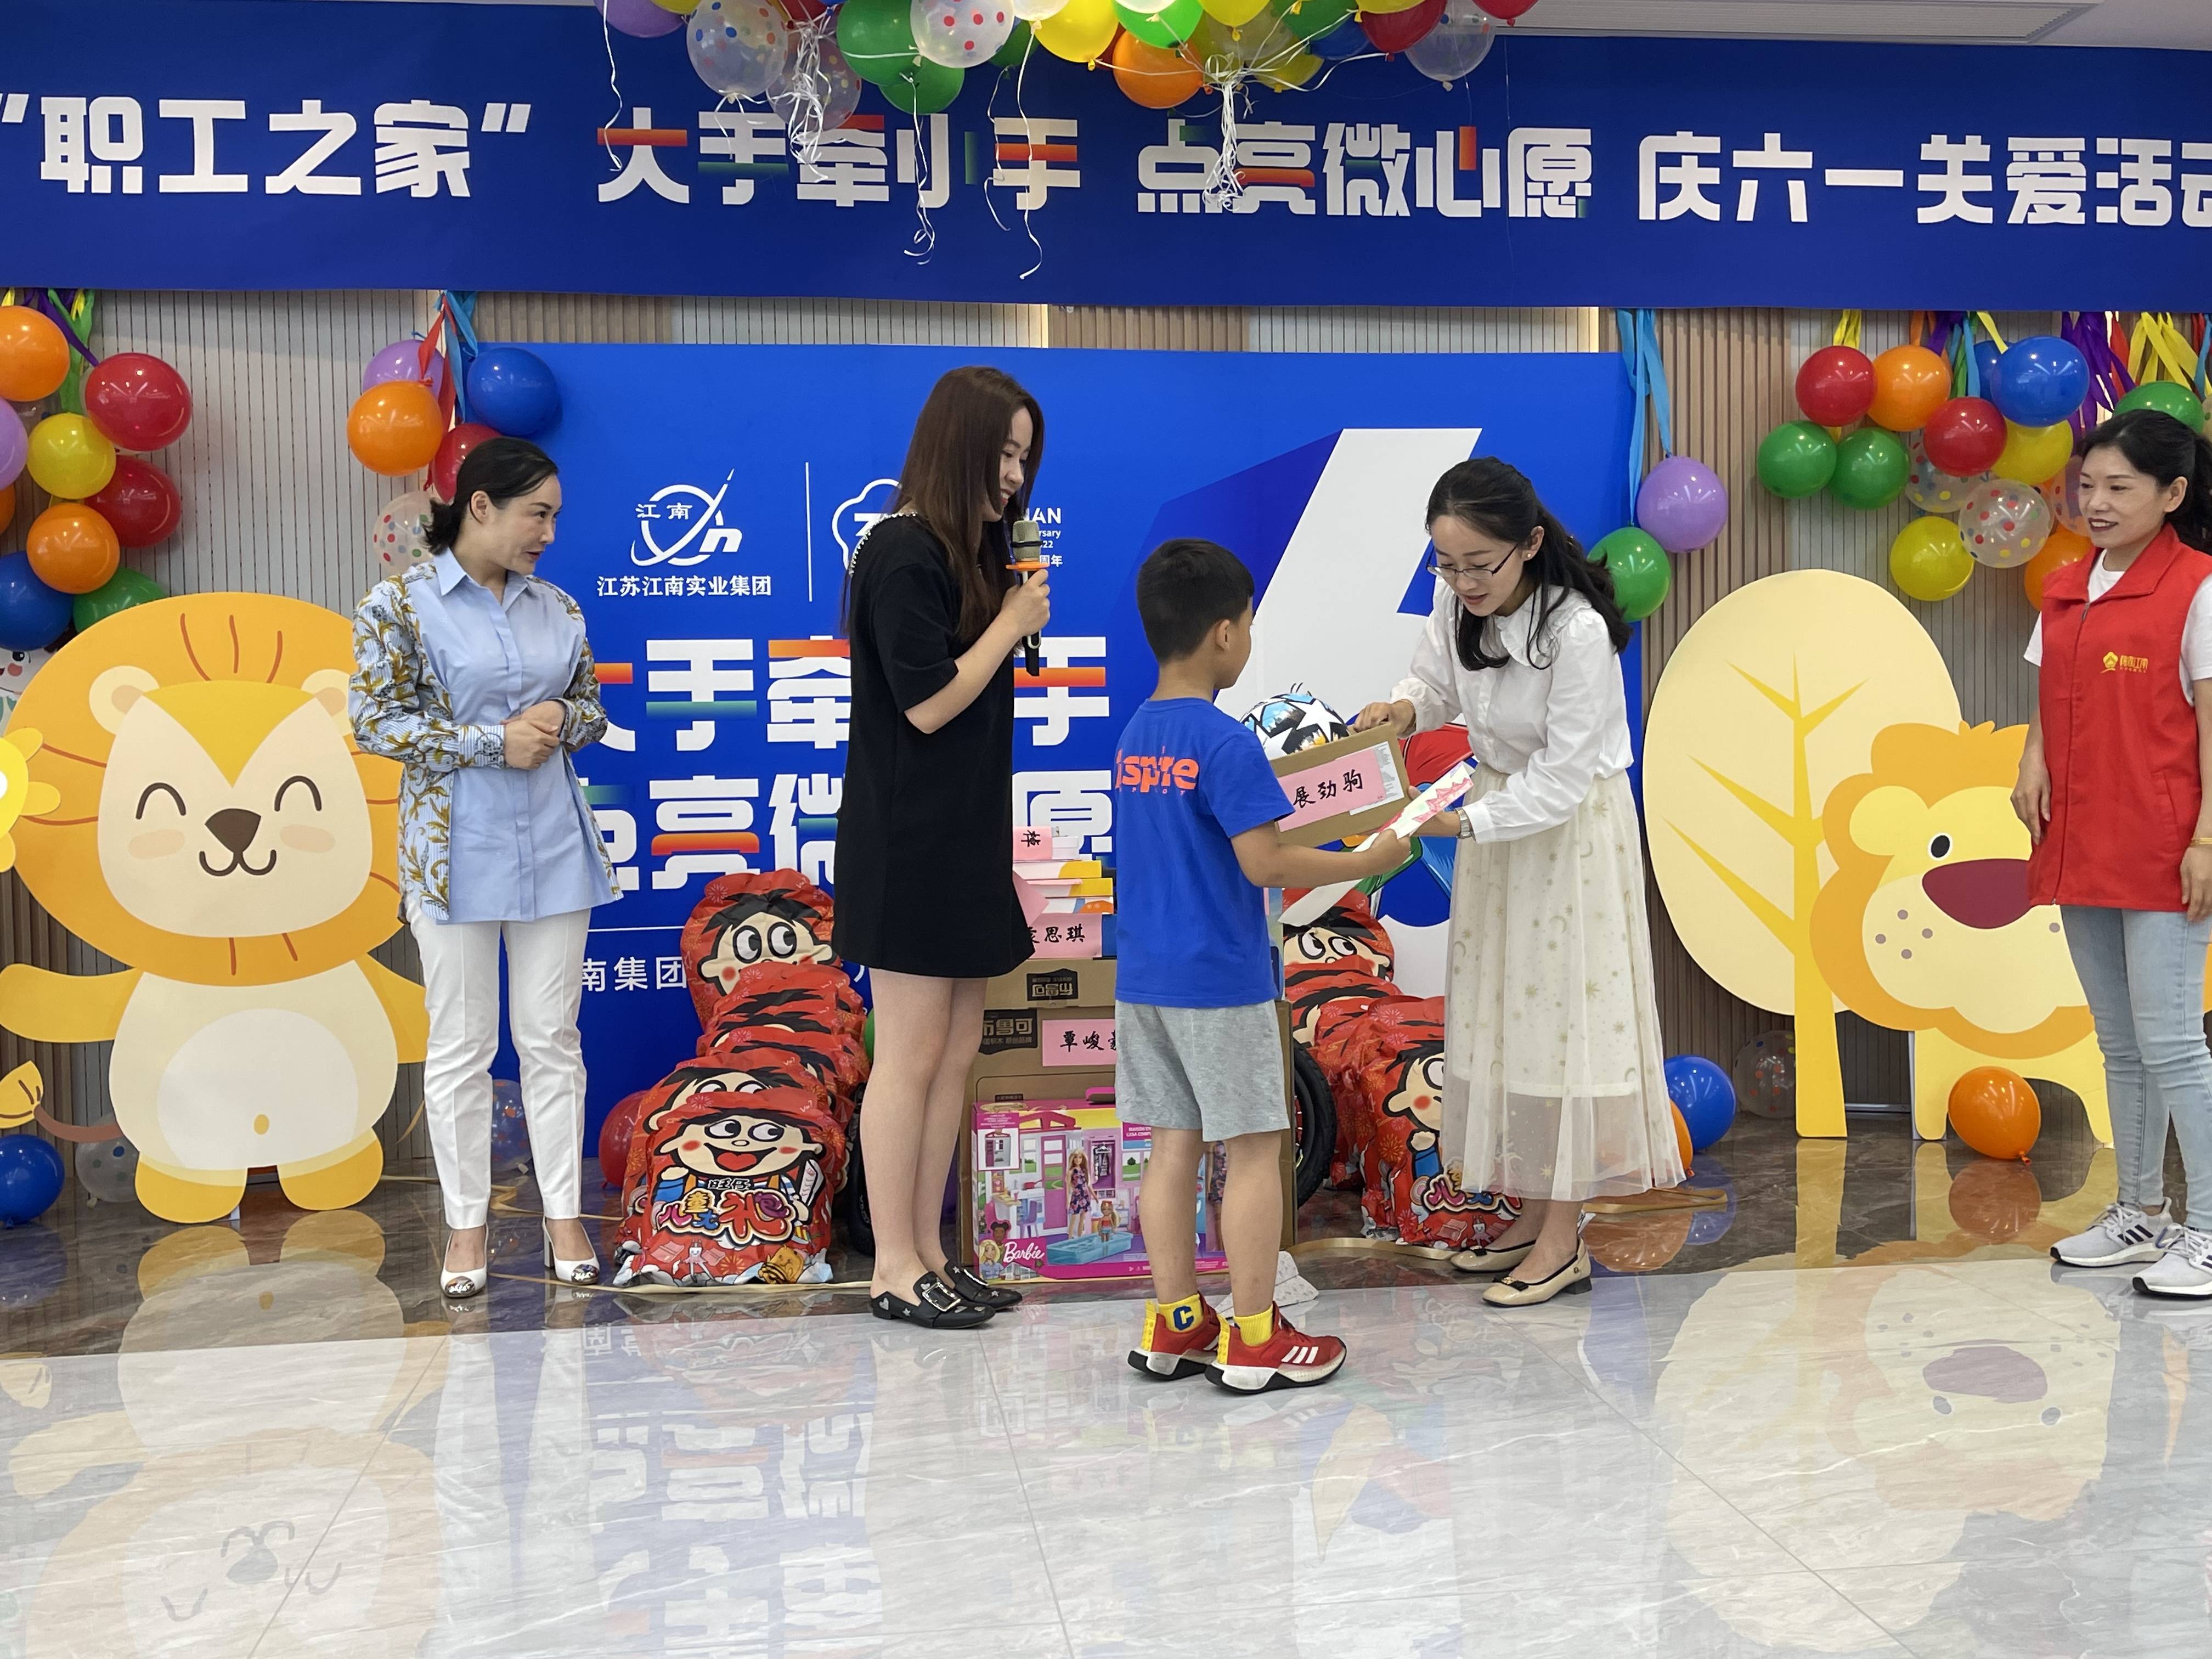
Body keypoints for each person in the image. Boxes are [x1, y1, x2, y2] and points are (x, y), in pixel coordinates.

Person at [1353, 457, 1682, 1308]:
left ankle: (1566, 1239)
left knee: (1563, 1027)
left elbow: (1567, 779)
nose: (1463, 582)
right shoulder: (1458, 605)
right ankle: (1535, 1215)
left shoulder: (1576, 631)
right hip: (1499, 822)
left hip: (1569, 840)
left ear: (1530, 544)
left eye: (1480, 565)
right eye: (1447, 565)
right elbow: (1434, 685)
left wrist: (1462, 823)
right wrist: (1401, 711)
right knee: (1512, 1023)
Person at [1116, 539, 1403, 1392]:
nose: (1247, 637)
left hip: (1146, 982)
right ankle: (1253, 1336)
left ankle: (1175, 1322)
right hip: (1221, 980)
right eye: (1246, 623)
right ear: (1223, 634)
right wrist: (1367, 859)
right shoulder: (1227, 743)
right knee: (1253, 1149)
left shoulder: (1136, 734)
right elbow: (1265, 863)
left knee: (1172, 1144)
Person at [352, 437, 619, 1299]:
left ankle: (564, 1216)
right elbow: (374, 722)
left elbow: (591, 709)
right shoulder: (400, 604)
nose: (549, 533)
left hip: (555, 847)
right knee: (463, 1045)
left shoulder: (560, 607)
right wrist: (489, 741)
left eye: (555, 517)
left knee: (552, 1041)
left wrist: (563, 719)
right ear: (480, 506)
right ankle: (467, 1227)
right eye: (537, 514)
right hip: (453, 855)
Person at [835, 365, 1049, 1328]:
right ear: (957, 444)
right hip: (908, 846)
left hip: (965, 841)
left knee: (956, 1055)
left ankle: (929, 1252)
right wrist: (1009, 623)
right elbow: (926, 705)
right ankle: (892, 1265)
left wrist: (1006, 611)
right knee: (911, 1056)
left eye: (1024, 457)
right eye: (1002, 452)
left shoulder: (974, 555)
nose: (1014, 475)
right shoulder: (901, 549)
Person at [2016, 409, 2212, 1297]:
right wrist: (2032, 760)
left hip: (2168, 846)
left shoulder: (2198, 588)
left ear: (2172, 495)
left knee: (2173, 1044)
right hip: (2082, 838)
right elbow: (2050, 695)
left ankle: (2208, 1229)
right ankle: (2139, 1213)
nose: (2094, 502)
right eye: (2085, 485)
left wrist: (2206, 839)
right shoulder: (2068, 586)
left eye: (2117, 488)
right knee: (2122, 1045)